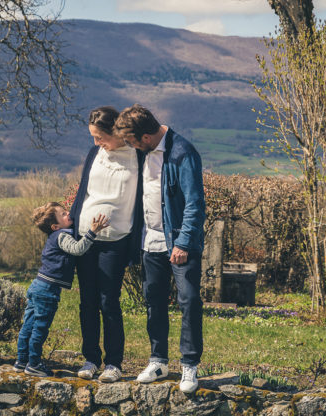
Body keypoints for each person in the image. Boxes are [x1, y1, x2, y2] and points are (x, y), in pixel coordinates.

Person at [115, 104, 206, 393]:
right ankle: (158, 360)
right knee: (153, 300)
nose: (130, 146)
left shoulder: (182, 152)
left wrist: (183, 243)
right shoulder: (142, 154)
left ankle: (189, 365)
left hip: (179, 243)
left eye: (131, 141)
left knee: (189, 300)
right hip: (149, 242)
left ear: (145, 136)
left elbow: (194, 203)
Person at [69, 106, 144, 383]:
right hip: (85, 238)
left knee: (108, 301)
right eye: (93, 137)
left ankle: (113, 362)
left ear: (117, 131)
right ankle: (90, 358)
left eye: (100, 137)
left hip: (116, 240)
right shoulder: (95, 154)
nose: (96, 143)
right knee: (87, 301)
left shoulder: (138, 156)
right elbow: (83, 193)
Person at [14, 202, 109, 377]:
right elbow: (78, 249)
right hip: (47, 290)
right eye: (64, 214)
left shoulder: (54, 236)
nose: (68, 214)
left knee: (28, 325)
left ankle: (21, 361)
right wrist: (93, 232)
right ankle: (33, 363)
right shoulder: (61, 236)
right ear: (55, 226)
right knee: (39, 328)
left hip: (37, 285)